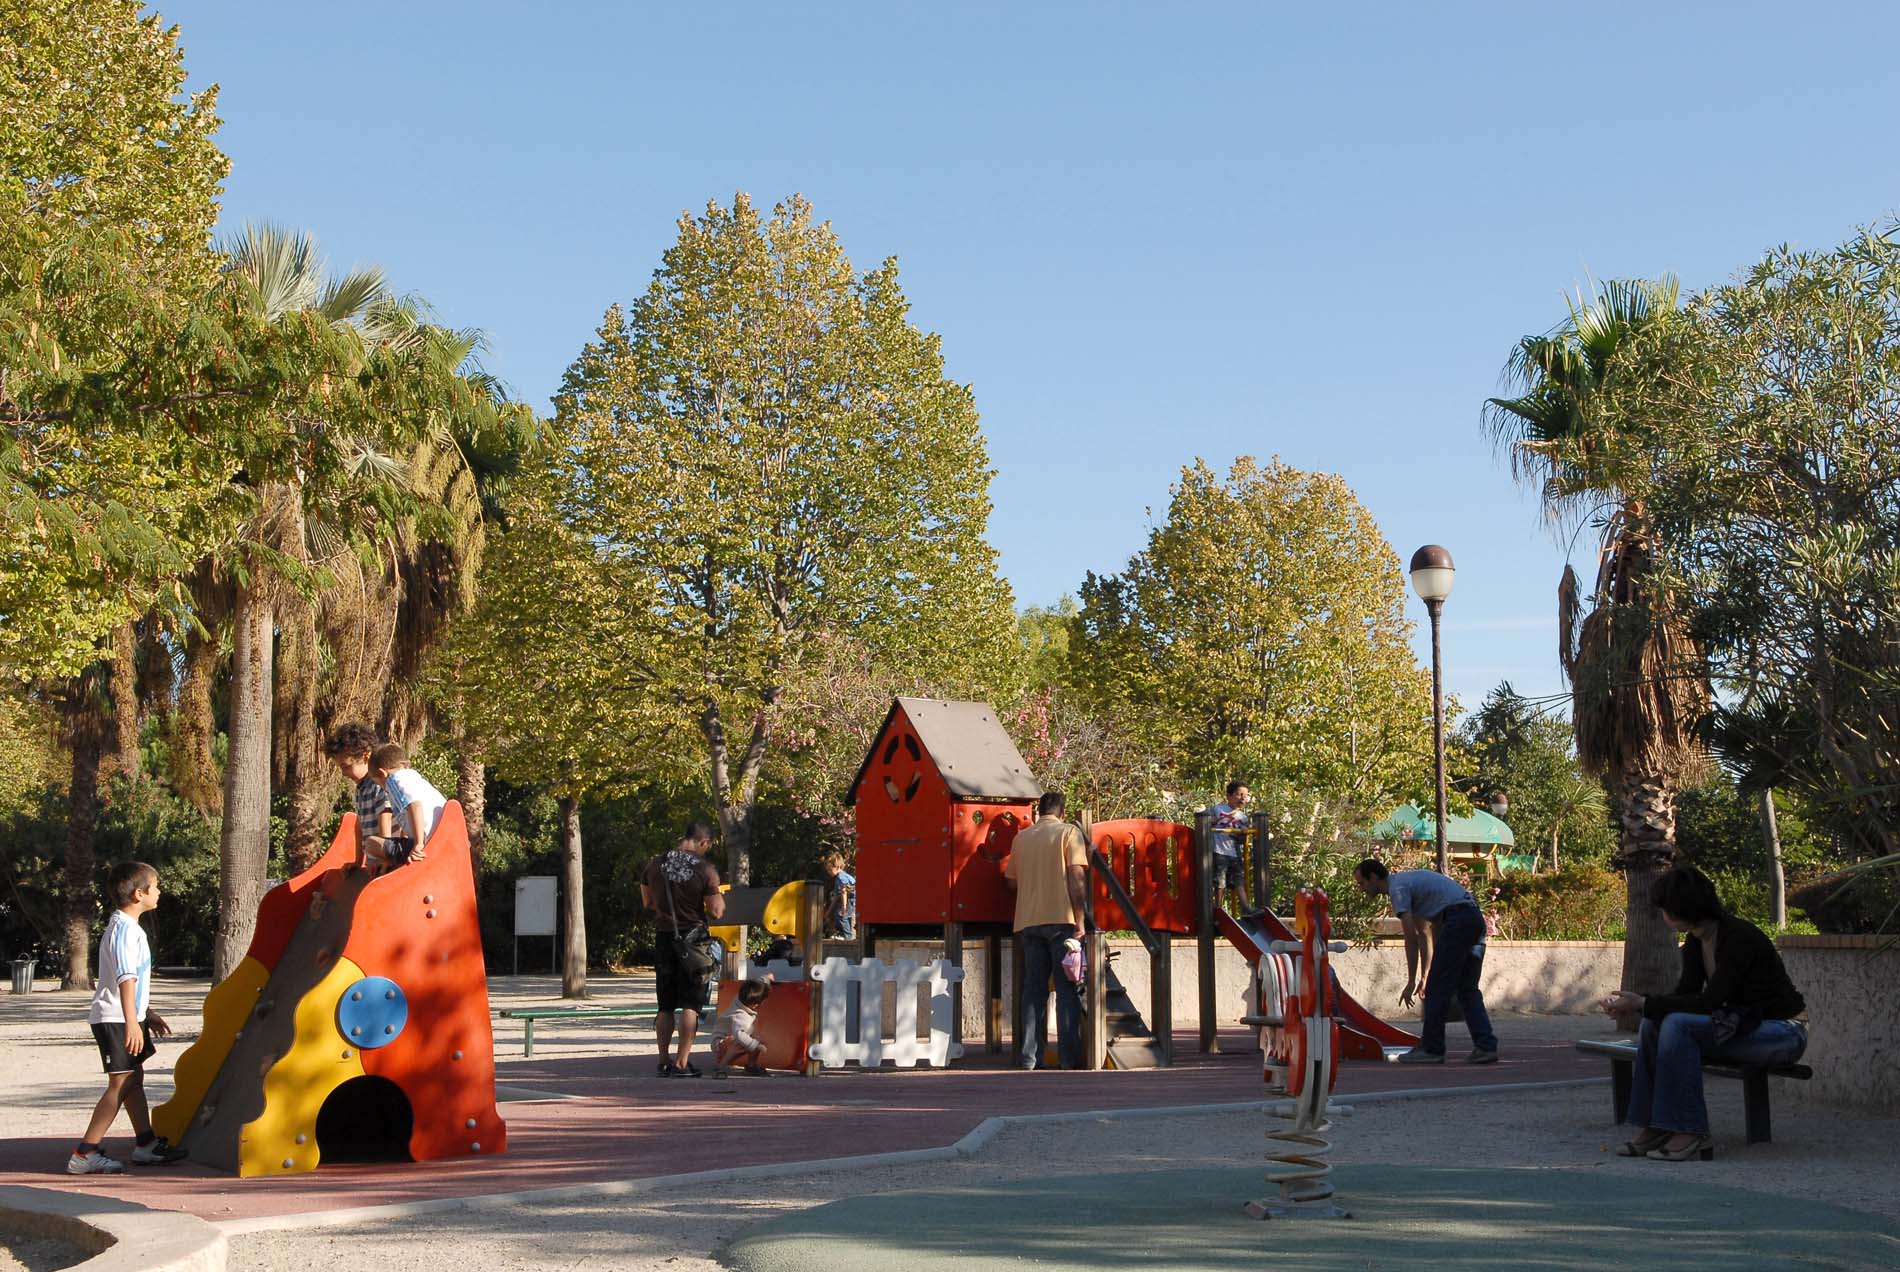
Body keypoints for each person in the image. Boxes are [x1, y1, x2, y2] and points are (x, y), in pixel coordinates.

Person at [1602, 866, 1806, 1162]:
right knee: (1654, 1025)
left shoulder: (1740, 937)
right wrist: (1642, 1006)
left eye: (1665, 908)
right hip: (1738, 1027)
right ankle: (1657, 1125)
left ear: (1680, 909)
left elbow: (1710, 1001)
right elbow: (1685, 995)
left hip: (1781, 1033)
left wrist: (1643, 1003)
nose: (1662, 914)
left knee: (1677, 1025)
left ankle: (1691, 1130)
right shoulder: (1697, 942)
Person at [69, 862, 188, 1174]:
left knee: (134, 1079)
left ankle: (145, 1144)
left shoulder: (128, 928)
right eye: (155, 886)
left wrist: (146, 1013)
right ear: (139, 894)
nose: (159, 891)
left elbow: (127, 980)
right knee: (121, 1084)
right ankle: (85, 1153)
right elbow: (125, 978)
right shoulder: (124, 930)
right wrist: (132, 1021)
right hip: (116, 1018)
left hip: (126, 1015)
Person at [1353, 858, 1499, 1064]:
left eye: (1362, 883)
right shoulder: (1408, 883)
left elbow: (1410, 938)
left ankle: (1432, 1049)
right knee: (1467, 989)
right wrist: (1424, 976)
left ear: (1374, 877)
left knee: (1438, 990)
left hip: (1458, 920)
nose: (1361, 889)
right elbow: (1424, 934)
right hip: (1473, 917)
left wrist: (1412, 980)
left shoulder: (1398, 888)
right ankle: (1486, 1046)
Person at [1004, 790, 1090, 1070]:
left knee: (1033, 991)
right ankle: (1068, 1058)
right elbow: (1077, 878)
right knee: (1067, 990)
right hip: (1061, 919)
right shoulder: (1069, 833)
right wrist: (1080, 919)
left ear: (1039, 811)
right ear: (1062, 812)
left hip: (1028, 922)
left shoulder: (1021, 838)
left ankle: (1030, 1058)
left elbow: (1011, 883)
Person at [640, 822, 726, 1077]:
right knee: (691, 1003)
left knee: (665, 1005)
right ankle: (681, 1062)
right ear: (704, 842)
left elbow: (647, 902)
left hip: (664, 937)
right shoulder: (705, 870)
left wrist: (667, 913)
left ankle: (663, 1060)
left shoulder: (654, 865)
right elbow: (717, 911)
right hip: (694, 940)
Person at [323, 723, 395, 872]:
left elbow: (385, 817)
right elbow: (360, 826)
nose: (343, 773)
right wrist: (357, 861)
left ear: (365, 757)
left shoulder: (378, 784)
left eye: (346, 766)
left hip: (389, 862)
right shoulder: (361, 790)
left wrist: (385, 858)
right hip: (374, 863)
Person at [367, 742, 446, 871]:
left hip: (428, 843)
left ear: (382, 774)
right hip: (443, 838)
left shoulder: (393, 780)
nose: (382, 788)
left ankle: (391, 862)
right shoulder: (415, 778)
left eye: (377, 783)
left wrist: (418, 844)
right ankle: (391, 860)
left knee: (371, 844)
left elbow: (414, 806)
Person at [711, 976, 774, 1078]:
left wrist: (767, 978)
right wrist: (755, 1046)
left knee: (754, 1040)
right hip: (721, 1043)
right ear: (755, 1005)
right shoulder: (741, 1016)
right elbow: (740, 1035)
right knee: (750, 1042)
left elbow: (757, 982)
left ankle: (751, 1066)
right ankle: (720, 1067)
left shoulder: (740, 998)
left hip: (727, 1038)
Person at [1209, 781, 1253, 910]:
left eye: (1245, 795)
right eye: (1239, 794)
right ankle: (1218, 907)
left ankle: (1245, 906)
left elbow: (1240, 840)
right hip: (1219, 850)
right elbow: (1205, 821)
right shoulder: (1218, 809)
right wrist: (1214, 820)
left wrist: (1243, 833)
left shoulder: (1243, 817)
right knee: (1220, 880)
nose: (1243, 798)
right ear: (1229, 796)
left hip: (1234, 852)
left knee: (1238, 879)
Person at [821, 851, 856, 939]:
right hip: (848, 899)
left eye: (830, 869)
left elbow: (844, 892)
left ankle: (847, 935)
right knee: (838, 913)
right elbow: (837, 897)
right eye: (827, 870)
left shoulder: (841, 877)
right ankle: (842, 933)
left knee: (842, 914)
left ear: (838, 867)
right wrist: (829, 912)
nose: (828, 872)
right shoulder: (838, 878)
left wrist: (844, 908)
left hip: (851, 899)